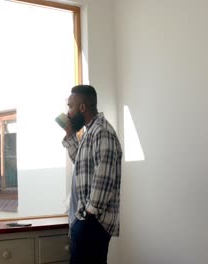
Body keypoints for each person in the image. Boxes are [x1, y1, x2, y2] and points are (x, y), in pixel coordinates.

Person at [61, 84, 122, 264]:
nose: (68, 113)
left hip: (92, 223)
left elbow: (104, 178)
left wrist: (88, 215)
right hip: (86, 221)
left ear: (82, 107)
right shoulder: (90, 132)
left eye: (71, 107)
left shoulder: (102, 132)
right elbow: (81, 165)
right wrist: (70, 135)